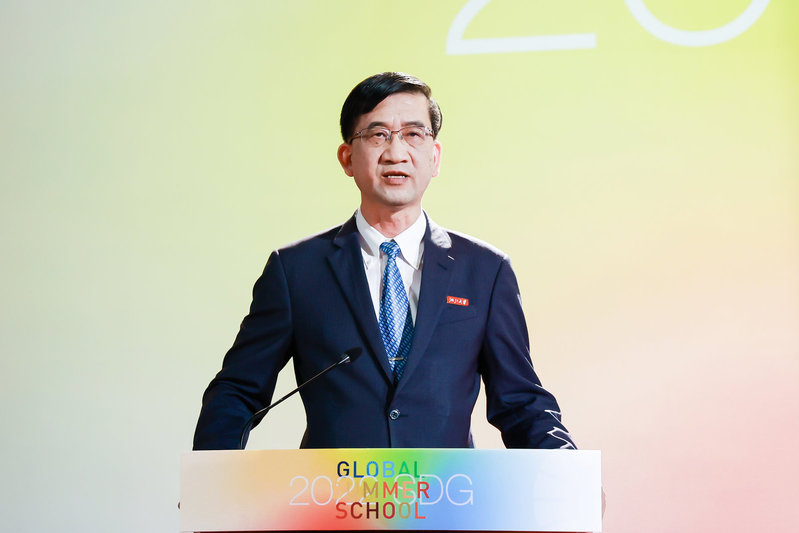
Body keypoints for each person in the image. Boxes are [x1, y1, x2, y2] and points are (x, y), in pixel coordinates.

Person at [193, 72, 576, 450]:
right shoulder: (295, 271)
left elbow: (521, 403)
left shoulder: (485, 271)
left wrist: (570, 472)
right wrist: (210, 474)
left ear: (434, 157)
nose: (396, 152)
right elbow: (238, 392)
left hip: (445, 487)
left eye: (413, 134)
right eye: (378, 135)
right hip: (332, 487)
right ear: (347, 158)